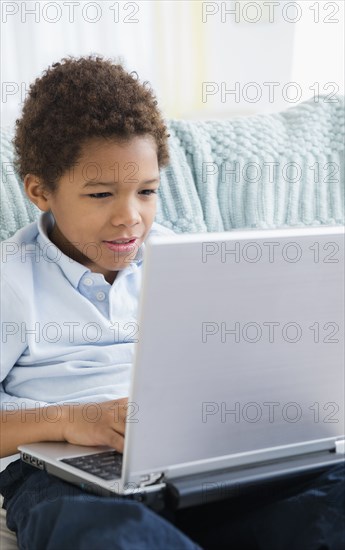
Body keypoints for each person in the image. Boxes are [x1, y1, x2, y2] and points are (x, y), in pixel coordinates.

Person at [1, 55, 344, 550]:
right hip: (63, 475)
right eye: (100, 194)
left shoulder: (178, 255)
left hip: (190, 461)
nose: (130, 217)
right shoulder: (12, 279)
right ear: (40, 191)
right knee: (116, 537)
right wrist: (73, 419)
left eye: (146, 191)